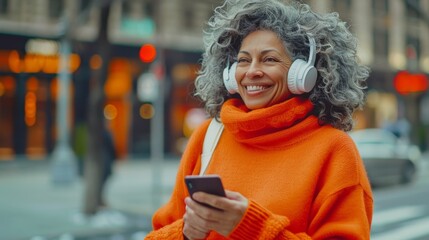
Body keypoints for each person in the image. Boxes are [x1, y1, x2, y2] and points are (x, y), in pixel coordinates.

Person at [145, 0, 373, 239]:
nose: (251, 71)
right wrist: (186, 232)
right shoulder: (208, 136)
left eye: (269, 59)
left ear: (303, 73)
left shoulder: (335, 149)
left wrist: (250, 226)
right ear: (230, 73)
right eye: (243, 60)